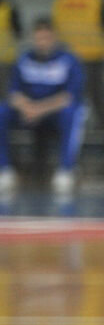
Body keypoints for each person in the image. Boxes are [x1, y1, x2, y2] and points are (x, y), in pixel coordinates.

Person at [0, 17, 86, 196]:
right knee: (2, 111)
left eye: (46, 38)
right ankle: (4, 170)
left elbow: (69, 97)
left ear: (54, 37)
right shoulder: (24, 59)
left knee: (74, 112)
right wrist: (27, 108)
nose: (42, 43)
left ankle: (66, 170)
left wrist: (39, 109)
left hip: (54, 113)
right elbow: (13, 93)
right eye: (38, 38)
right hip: (27, 113)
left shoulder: (69, 60)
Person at [52, 0, 104, 133]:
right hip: (93, 55)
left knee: (69, 96)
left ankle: (67, 129)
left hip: (68, 57)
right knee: (99, 97)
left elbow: (55, 27)